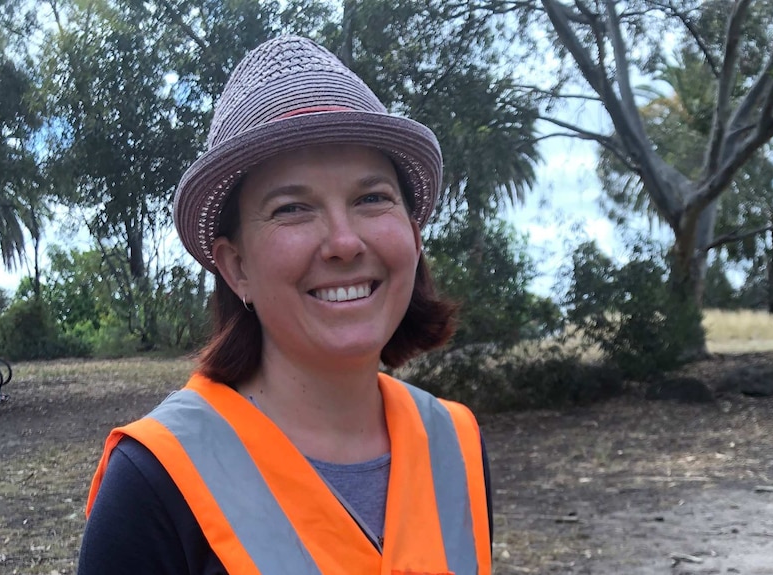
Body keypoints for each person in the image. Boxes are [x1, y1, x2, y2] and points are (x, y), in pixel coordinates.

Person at [78, 35, 493, 575]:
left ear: (414, 237)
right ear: (236, 267)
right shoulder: (157, 481)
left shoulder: (456, 446)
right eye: (293, 208)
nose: (344, 242)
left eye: (372, 198)